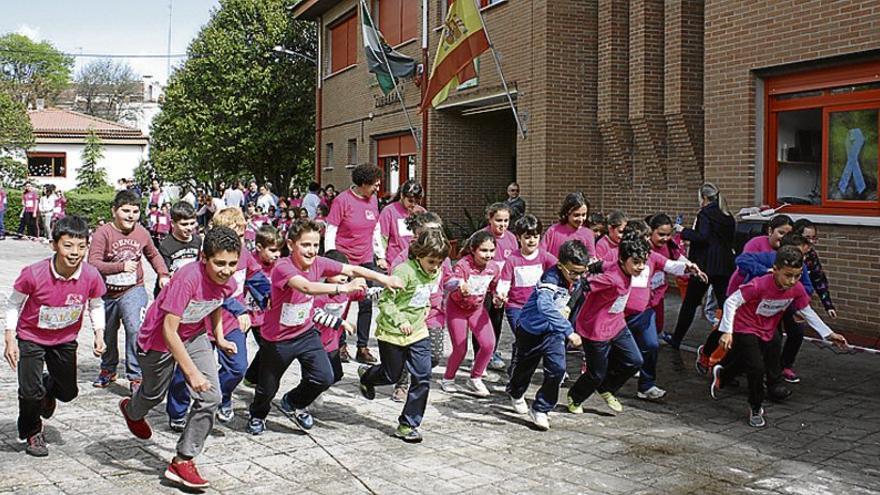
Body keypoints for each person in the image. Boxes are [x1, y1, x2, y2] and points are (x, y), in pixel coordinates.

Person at [246, 219, 402, 435]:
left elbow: (352, 268)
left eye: (315, 245)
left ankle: (293, 402)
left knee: (324, 376)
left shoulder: (319, 262)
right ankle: (257, 415)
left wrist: (383, 279)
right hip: (277, 339)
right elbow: (306, 287)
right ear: (291, 245)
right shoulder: (283, 267)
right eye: (306, 245)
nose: (312, 251)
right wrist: (344, 288)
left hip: (305, 333)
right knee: (267, 389)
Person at [118, 226, 242, 489]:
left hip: (195, 334)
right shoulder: (188, 278)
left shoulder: (228, 282)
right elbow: (168, 331)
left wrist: (219, 338)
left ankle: (183, 459)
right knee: (153, 394)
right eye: (220, 263)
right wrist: (191, 373)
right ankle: (132, 410)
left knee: (211, 397)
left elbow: (215, 304)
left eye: (232, 263)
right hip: (158, 341)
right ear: (203, 258)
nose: (226, 270)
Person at [712, 245, 848, 427]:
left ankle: (723, 373)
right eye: (788, 275)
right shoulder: (759, 284)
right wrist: (727, 331)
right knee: (757, 367)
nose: (792, 281)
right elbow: (731, 301)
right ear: (775, 270)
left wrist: (828, 333)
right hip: (744, 326)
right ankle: (755, 407)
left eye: (797, 275)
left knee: (750, 360)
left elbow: (806, 310)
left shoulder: (797, 289)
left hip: (768, 328)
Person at [4, 216, 107, 456]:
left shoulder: (91, 275)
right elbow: (13, 304)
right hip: (31, 337)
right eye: (68, 245)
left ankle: (48, 389)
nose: (75, 252)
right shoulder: (34, 273)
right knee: (29, 391)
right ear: (54, 245)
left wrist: (99, 334)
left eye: (81, 246)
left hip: (64, 340)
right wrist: (9, 338)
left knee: (68, 392)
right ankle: (32, 432)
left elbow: (96, 305)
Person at [166, 207, 267, 429]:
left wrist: (270, 296)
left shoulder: (245, 254)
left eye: (241, 235)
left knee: (237, 368)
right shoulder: (209, 260)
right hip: (201, 324)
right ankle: (178, 411)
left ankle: (221, 396)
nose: (238, 242)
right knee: (185, 372)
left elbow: (257, 278)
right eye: (234, 235)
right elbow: (216, 292)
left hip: (231, 324)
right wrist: (239, 309)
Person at [358, 230, 450, 443]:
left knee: (423, 375)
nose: (435, 267)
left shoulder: (435, 272)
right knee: (391, 375)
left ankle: (408, 424)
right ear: (419, 255)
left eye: (439, 262)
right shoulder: (403, 272)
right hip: (393, 333)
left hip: (418, 332)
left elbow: (424, 293)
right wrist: (401, 321)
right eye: (431, 261)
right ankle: (368, 376)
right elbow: (385, 302)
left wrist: (426, 305)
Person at [89, 190, 170, 392]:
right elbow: (93, 263)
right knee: (107, 332)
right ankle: (108, 369)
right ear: (114, 211)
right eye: (125, 211)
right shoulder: (103, 233)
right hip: (106, 293)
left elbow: (154, 254)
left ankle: (136, 375)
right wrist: (120, 267)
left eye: (135, 211)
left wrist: (162, 273)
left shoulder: (142, 232)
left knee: (135, 328)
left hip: (133, 289)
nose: (130, 215)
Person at [506, 240, 586, 430]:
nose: (576, 277)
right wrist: (569, 330)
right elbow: (545, 307)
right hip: (531, 331)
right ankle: (516, 392)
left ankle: (541, 408)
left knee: (557, 370)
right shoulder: (550, 279)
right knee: (523, 370)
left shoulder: (579, 278)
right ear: (560, 265)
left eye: (580, 272)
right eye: (572, 272)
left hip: (553, 332)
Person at [567, 237, 649, 416]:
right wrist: (568, 307)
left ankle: (607, 388)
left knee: (635, 361)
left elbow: (602, 264)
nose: (641, 267)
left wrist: (594, 266)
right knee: (596, 374)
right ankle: (575, 396)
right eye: (636, 262)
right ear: (623, 260)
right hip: (595, 329)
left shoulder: (618, 266)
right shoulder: (612, 278)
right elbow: (583, 286)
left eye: (643, 262)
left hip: (617, 324)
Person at [662, 183, 736, 349]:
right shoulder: (727, 214)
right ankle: (731, 337)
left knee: (690, 303)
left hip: (705, 265)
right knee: (726, 303)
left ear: (704, 198)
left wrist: (683, 230)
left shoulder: (705, 214)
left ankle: (677, 338)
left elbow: (702, 237)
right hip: (724, 265)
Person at [388, 212, 451, 402]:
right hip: (410, 314)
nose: (435, 238)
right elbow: (394, 282)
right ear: (417, 236)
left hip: (434, 313)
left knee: (434, 355)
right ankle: (402, 384)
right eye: (429, 233)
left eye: (438, 232)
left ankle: (416, 373)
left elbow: (447, 279)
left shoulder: (443, 259)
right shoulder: (403, 258)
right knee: (407, 351)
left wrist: (458, 284)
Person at [324, 164, 383, 364]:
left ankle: (362, 347)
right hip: (345, 259)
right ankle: (339, 344)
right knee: (343, 302)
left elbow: (376, 228)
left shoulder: (373, 200)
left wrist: (379, 253)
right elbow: (331, 229)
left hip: (365, 258)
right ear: (363, 184)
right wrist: (331, 259)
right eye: (374, 184)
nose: (378, 187)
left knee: (366, 302)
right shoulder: (342, 201)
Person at [441, 231, 502, 397]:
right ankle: (448, 378)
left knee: (489, 344)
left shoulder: (493, 268)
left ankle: (475, 377)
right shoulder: (462, 265)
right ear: (473, 250)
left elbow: (494, 287)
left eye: (491, 251)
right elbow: (453, 284)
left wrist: (497, 297)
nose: (488, 255)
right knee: (460, 348)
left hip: (477, 309)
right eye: (483, 250)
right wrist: (461, 289)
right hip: (457, 310)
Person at [495, 214, 557, 367]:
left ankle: (523, 363)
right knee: (523, 335)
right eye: (527, 237)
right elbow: (504, 281)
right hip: (516, 307)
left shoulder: (544, 256)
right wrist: (501, 293)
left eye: (535, 237)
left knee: (536, 338)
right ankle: (517, 367)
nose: (532, 241)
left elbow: (559, 269)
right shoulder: (512, 259)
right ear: (519, 237)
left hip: (537, 306)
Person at [782, 219, 837, 383]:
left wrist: (828, 305)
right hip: (777, 300)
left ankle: (784, 365)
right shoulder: (783, 253)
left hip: (796, 301)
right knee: (770, 336)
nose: (811, 242)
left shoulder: (810, 257)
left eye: (814, 238)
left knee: (797, 332)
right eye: (807, 238)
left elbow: (818, 279)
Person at [243, 225, 284, 388]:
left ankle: (252, 377)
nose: (277, 255)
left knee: (269, 349)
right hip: (243, 315)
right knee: (235, 355)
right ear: (259, 247)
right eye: (273, 250)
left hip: (264, 317)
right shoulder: (248, 262)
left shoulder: (279, 265)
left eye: (279, 250)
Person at [481, 203, 518, 371]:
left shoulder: (511, 238)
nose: (502, 224)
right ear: (490, 219)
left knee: (496, 321)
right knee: (482, 322)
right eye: (498, 220)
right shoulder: (482, 236)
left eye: (506, 220)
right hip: (485, 289)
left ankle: (492, 352)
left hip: (501, 289)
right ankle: (480, 355)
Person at [375, 180, 426, 273]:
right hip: (395, 262)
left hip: (417, 263)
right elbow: (381, 237)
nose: (413, 204)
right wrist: (381, 257)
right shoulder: (389, 211)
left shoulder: (421, 212)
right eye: (410, 201)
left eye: (417, 201)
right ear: (402, 196)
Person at [156, 202, 201, 294]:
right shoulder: (166, 245)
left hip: (191, 289)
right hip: (172, 291)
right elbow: (164, 273)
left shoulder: (198, 240)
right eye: (184, 224)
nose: (189, 228)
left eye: (192, 223)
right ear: (173, 223)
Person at [540, 192, 597, 260]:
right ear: (567, 213)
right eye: (576, 215)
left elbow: (591, 259)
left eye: (584, 215)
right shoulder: (553, 231)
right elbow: (541, 254)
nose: (581, 219)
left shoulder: (587, 234)